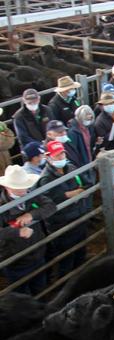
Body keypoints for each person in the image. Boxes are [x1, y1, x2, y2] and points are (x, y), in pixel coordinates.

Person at [37, 140, 89, 279]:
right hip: (62, 223)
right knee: (66, 256)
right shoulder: (45, 179)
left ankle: (80, 277)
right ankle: (64, 282)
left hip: (79, 215)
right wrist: (69, 194)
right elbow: (47, 201)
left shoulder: (70, 167)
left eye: (62, 154)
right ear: (48, 156)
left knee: (80, 250)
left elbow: (86, 183)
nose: (61, 158)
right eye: (57, 155)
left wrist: (76, 192)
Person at [0, 165, 56, 295]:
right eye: (18, 187)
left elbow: (51, 206)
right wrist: (17, 232)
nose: (23, 190)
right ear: (7, 186)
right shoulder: (2, 206)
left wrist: (32, 215)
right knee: (21, 293)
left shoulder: (31, 194)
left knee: (40, 286)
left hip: (38, 250)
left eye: (25, 186)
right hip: (15, 258)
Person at [68, 105, 98, 184]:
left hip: (90, 159)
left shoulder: (89, 127)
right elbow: (73, 152)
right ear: (80, 118)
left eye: (90, 118)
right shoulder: (72, 132)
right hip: (82, 164)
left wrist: (96, 142)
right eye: (86, 119)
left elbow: (90, 143)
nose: (88, 120)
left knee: (92, 181)